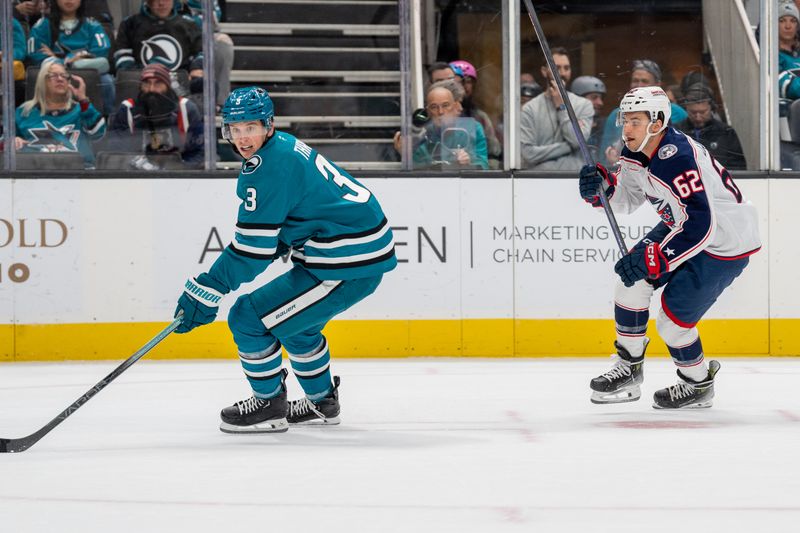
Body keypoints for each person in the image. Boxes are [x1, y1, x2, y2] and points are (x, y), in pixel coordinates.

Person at [173, 86, 397, 434]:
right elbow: (300, 212)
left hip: (347, 261)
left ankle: (268, 404)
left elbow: (252, 251)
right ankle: (322, 402)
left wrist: (208, 288)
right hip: (350, 252)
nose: (243, 137)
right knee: (296, 325)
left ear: (268, 124)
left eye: (251, 127)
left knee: (247, 317)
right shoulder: (282, 147)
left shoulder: (268, 167)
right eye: (235, 128)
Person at [578, 86, 760, 409]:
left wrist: (658, 257)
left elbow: (702, 222)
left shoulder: (677, 157)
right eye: (625, 120)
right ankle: (629, 367)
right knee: (629, 280)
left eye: (635, 121)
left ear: (658, 122)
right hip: (686, 223)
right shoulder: (634, 152)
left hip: (726, 240)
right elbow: (628, 197)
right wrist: (603, 189)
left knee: (672, 321)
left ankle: (698, 383)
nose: (627, 129)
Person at [106, 63, 204, 167]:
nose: (151, 89)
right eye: (147, 83)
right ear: (140, 86)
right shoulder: (127, 110)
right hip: (136, 177)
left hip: (178, 177)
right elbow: (117, 152)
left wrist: (181, 169)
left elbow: (200, 151)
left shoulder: (186, 108)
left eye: (158, 84)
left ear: (168, 86)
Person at [28, 0, 115, 114]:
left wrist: (58, 58)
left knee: (106, 81)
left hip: (87, 73)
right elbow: (36, 54)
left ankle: (106, 120)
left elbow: (101, 52)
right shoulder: (42, 25)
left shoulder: (92, 25)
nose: (69, 0)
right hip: (53, 74)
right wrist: (68, 62)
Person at [14, 59, 106, 167]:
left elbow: (99, 135)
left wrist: (84, 101)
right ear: (42, 81)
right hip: (35, 174)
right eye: (53, 75)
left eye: (64, 76)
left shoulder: (82, 109)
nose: (60, 79)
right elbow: (3, 143)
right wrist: (12, 140)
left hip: (81, 174)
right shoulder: (24, 112)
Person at [599, 59, 688, 167]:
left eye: (644, 81)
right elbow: (603, 155)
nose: (639, 85)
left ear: (657, 85)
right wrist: (610, 155)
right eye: (635, 81)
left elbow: (685, 149)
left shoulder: (676, 112)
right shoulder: (616, 114)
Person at [519, 46, 593, 170]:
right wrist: (569, 147)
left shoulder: (584, 105)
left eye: (566, 68)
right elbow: (528, 154)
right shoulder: (530, 109)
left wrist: (562, 107)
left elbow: (576, 140)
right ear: (544, 71)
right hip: (537, 182)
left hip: (573, 181)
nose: (562, 73)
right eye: (556, 68)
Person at [393, 79, 489, 169]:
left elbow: (483, 165)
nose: (460, 108)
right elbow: (417, 169)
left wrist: (469, 162)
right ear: (429, 110)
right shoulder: (423, 133)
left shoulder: (473, 128)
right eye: (434, 106)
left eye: (445, 105)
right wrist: (406, 155)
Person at [113, 0, 203, 82]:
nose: (161, 3)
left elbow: (202, 51)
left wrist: (196, 68)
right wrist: (135, 75)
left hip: (181, 81)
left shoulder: (189, 24)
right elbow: (122, 56)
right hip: (142, 83)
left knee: (204, 84)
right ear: (147, 1)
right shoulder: (130, 23)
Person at [676, 83, 747, 170]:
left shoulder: (726, 132)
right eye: (693, 112)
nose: (698, 117)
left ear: (711, 108)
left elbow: (739, 166)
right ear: (686, 108)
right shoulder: (676, 132)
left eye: (703, 112)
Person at [180, 0, 233, 108]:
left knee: (223, 42)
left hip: (201, 35)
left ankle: (219, 103)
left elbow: (212, 19)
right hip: (172, 35)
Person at [449, 59, 502, 168]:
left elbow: (494, 152)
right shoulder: (438, 118)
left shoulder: (480, 118)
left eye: (468, 81)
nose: (463, 87)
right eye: (457, 82)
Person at [570, 75, 606, 161]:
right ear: (578, 99)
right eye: (594, 98)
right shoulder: (567, 125)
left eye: (601, 98)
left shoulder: (605, 124)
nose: (600, 103)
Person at [778, 2, 800, 100]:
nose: (788, 26)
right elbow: (788, 87)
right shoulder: (772, 56)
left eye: (793, 21)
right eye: (782, 21)